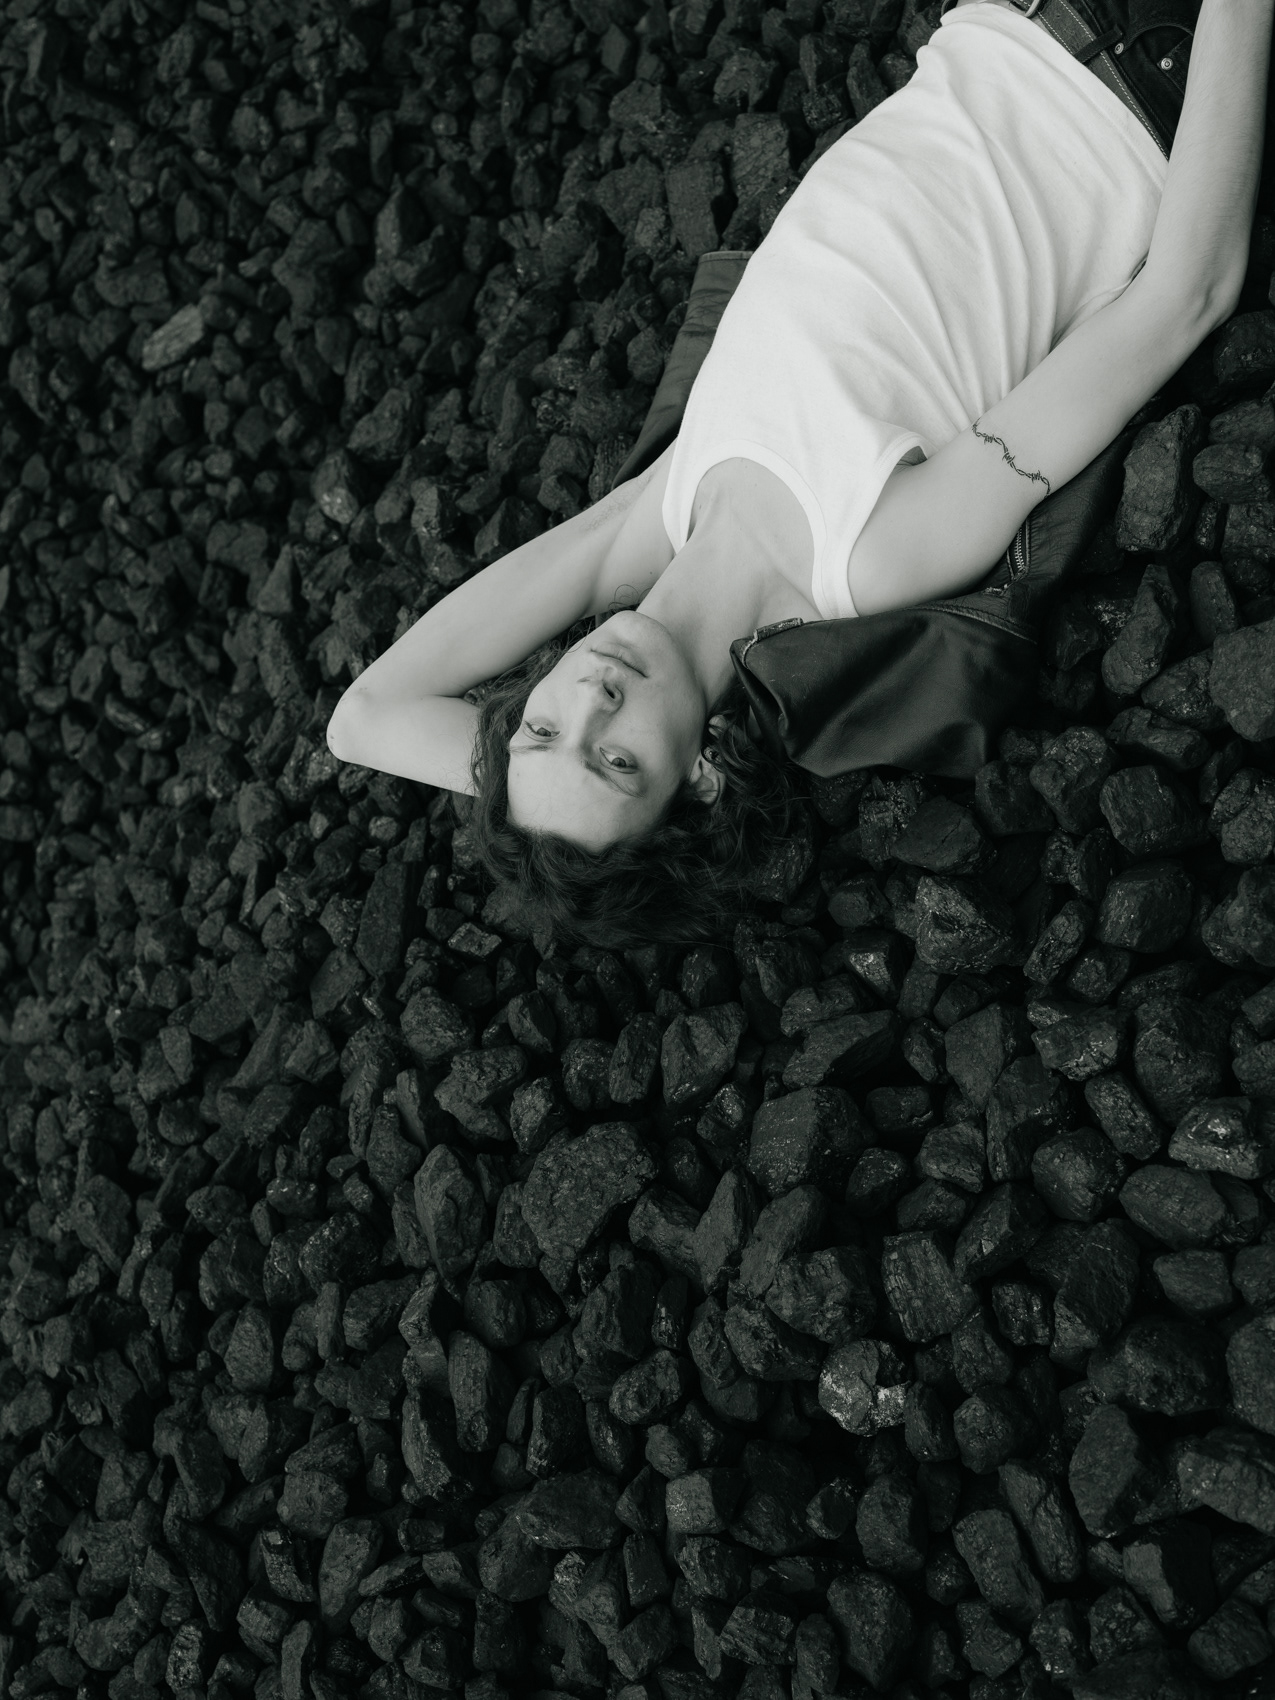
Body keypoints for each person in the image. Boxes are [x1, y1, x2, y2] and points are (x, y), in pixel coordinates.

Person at [328, 0, 1272, 948]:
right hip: (1139, 67)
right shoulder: (873, 557)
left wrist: (533, 800)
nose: (588, 699)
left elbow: (365, 719)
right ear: (700, 777)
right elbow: (1184, 293)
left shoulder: (654, 516)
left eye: (539, 730)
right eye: (615, 762)